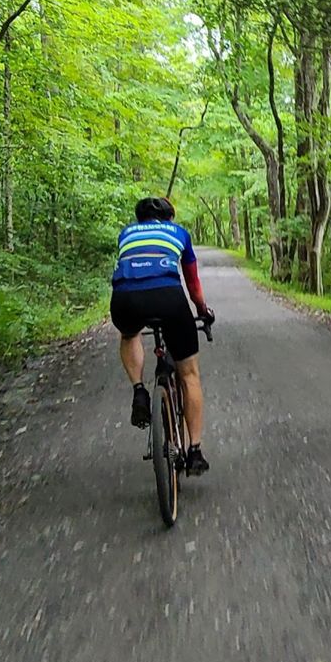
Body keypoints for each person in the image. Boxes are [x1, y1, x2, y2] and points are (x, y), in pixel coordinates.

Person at [110, 195, 214, 475]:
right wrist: (203, 310)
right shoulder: (179, 233)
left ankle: (139, 390)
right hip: (168, 298)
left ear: (139, 219)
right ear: (170, 217)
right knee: (189, 374)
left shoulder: (126, 233)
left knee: (130, 334)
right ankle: (194, 451)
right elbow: (192, 284)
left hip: (124, 299)